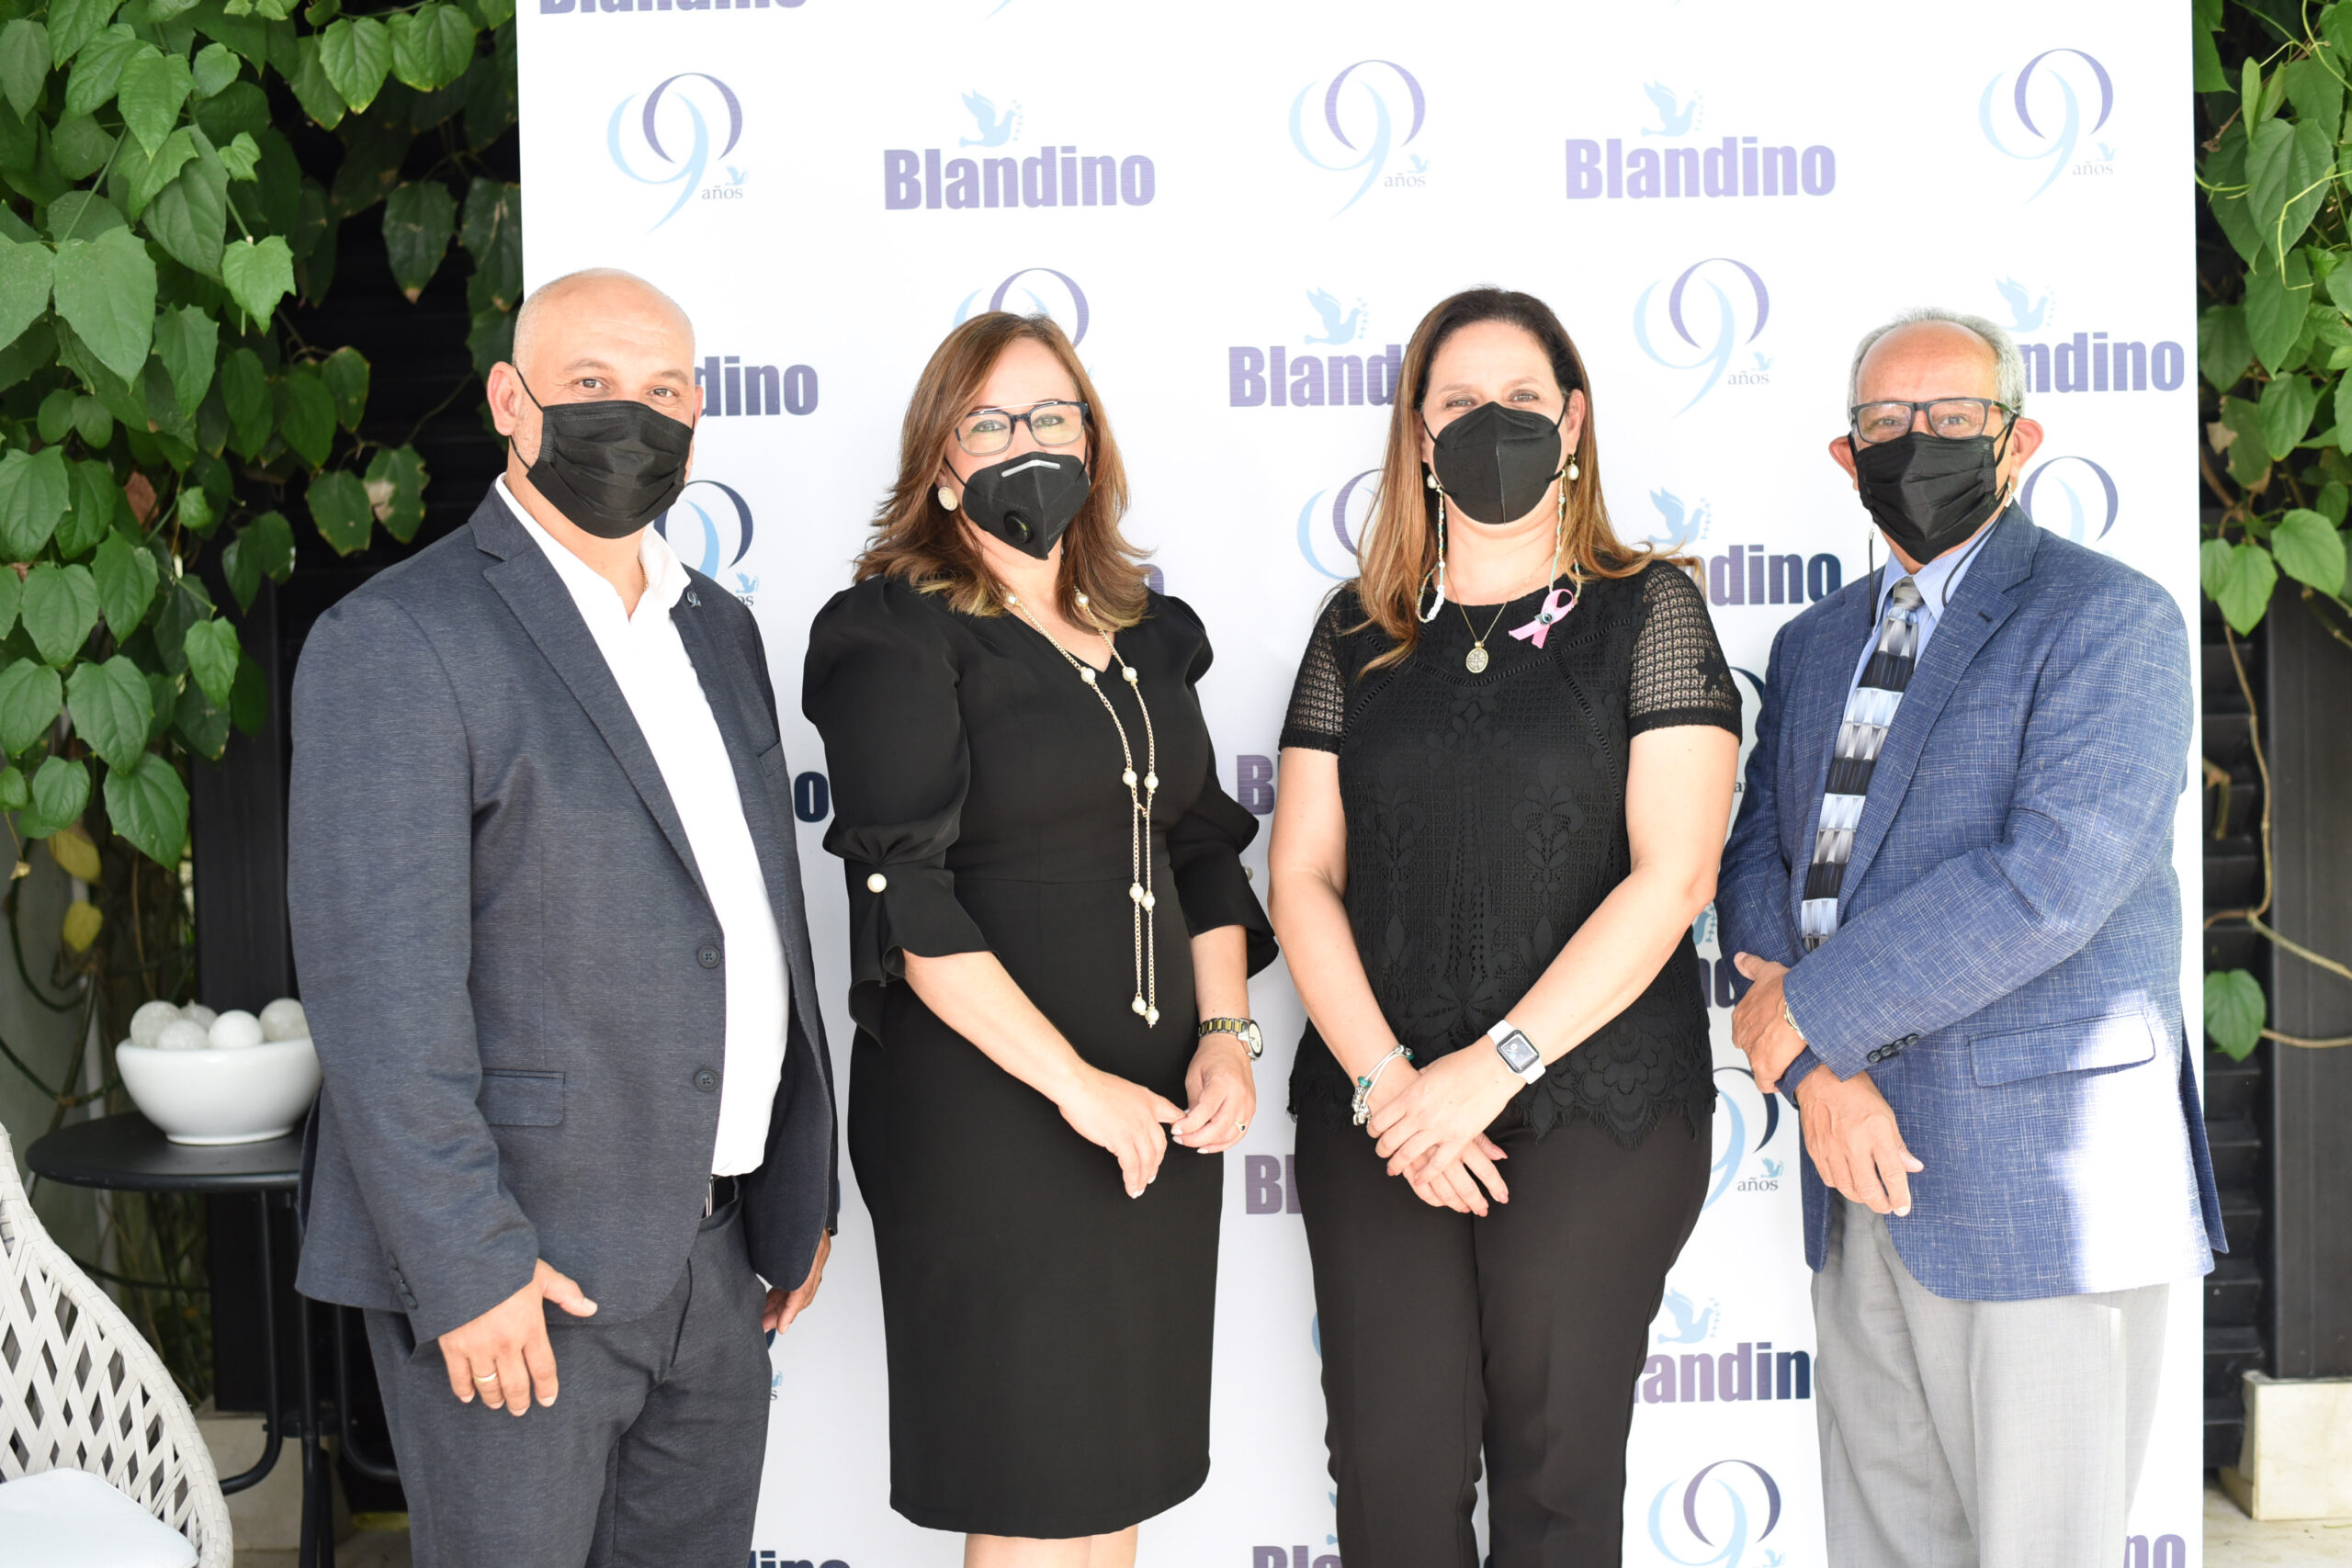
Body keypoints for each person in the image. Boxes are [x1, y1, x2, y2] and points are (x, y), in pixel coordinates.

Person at [287, 268, 838, 1568]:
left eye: (663, 391)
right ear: (509, 401)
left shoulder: (719, 633)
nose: (628, 417)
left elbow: (744, 916)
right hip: (521, 1274)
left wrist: (793, 1187)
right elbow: (381, 1001)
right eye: (591, 384)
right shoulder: (400, 639)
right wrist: (466, 1266)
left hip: (716, 1261)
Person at [1715, 308, 2225, 1567]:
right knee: (1885, 1541)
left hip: (2042, 1177)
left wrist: (1806, 1018)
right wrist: (1815, 1073)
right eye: (1888, 422)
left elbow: (2052, 880)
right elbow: (1760, 856)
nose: (1920, 440)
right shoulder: (1812, 643)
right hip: (1852, 1158)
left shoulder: (2111, 620)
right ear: (1846, 456)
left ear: (2019, 440)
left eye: (1954, 417)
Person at [1266, 288, 1740, 1568]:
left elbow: (1676, 876)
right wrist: (1392, 1088)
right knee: (1391, 1483)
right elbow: (1301, 875)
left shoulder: (1650, 613)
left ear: (1572, 423)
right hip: (1380, 1112)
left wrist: (1492, 1069)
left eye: (1523, 399)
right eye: (1461, 402)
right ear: (1419, 436)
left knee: (1557, 1483)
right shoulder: (1355, 632)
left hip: (1595, 1106)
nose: (1494, 423)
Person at [801, 311, 1275, 1568]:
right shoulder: (893, 633)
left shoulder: (1149, 635)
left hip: (1155, 1108)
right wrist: (1077, 1089)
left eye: (1053, 415)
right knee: (1032, 1483)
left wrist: (1226, 1039)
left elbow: (1199, 850)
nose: (1029, 442)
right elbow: (907, 901)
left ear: (1092, 442)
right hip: (993, 1116)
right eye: (991, 421)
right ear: (942, 463)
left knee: (1112, 1477)